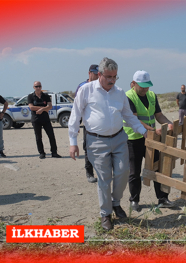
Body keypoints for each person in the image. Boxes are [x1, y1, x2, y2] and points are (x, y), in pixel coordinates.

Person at [68, 57, 148, 230]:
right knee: (104, 178)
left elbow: (128, 116)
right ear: (99, 74)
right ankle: (105, 214)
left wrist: (144, 132)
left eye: (115, 77)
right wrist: (72, 141)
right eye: (108, 76)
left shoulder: (119, 92)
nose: (112, 80)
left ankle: (116, 202)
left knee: (123, 172)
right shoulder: (86, 90)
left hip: (119, 139)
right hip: (96, 141)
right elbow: (75, 116)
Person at [125, 70, 175, 212]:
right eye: (142, 86)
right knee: (134, 172)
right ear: (134, 84)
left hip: (151, 139)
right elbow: (133, 119)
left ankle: (162, 198)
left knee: (158, 167)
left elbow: (159, 115)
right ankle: (134, 200)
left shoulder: (152, 95)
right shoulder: (128, 97)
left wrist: (169, 123)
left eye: (147, 86)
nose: (146, 89)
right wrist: (152, 131)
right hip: (134, 139)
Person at [75, 64, 99, 183]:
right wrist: (76, 124)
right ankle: (89, 173)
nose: (97, 76)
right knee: (88, 148)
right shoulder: (82, 87)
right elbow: (77, 108)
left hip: (100, 124)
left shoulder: (101, 86)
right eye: (95, 73)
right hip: (88, 125)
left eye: (98, 73)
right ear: (89, 73)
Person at [28, 82, 61, 159]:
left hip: (45, 119)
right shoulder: (30, 96)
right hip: (36, 119)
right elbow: (31, 107)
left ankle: (54, 152)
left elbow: (50, 106)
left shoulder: (45, 96)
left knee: (51, 136)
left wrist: (42, 109)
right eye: (36, 86)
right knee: (38, 137)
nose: (38, 88)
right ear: (33, 87)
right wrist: (43, 108)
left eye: (39, 86)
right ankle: (42, 153)